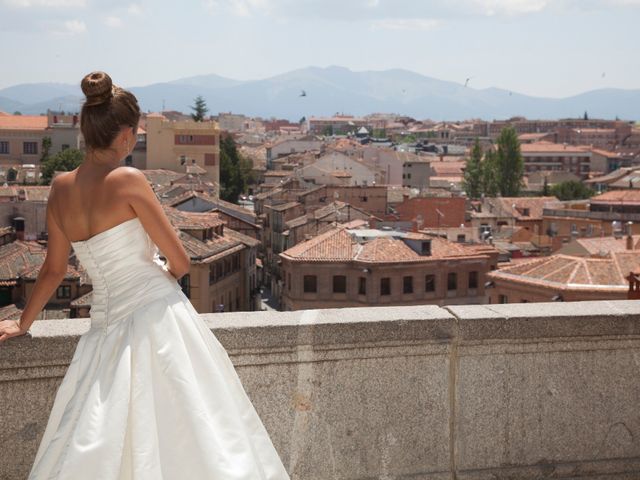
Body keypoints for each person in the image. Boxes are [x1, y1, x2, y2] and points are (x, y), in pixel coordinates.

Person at [0, 71, 291, 480]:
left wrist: (22, 321)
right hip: (156, 313)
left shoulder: (60, 187)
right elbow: (182, 262)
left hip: (104, 323)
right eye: (135, 132)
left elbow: (53, 270)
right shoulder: (129, 180)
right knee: (199, 430)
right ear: (123, 136)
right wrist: (159, 276)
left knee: (96, 431)